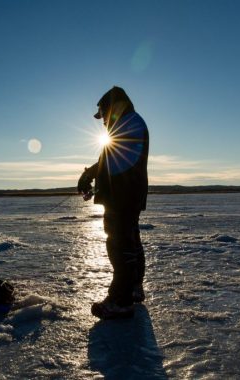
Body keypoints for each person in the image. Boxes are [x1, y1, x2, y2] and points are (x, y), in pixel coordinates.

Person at [77, 86, 149, 320]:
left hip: (123, 196)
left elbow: (118, 162)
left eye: (102, 114)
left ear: (109, 108)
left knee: (120, 247)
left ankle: (121, 300)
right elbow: (112, 160)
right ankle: (133, 288)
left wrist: (93, 177)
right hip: (126, 195)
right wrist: (90, 174)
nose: (102, 121)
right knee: (130, 242)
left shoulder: (129, 124)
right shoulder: (128, 123)